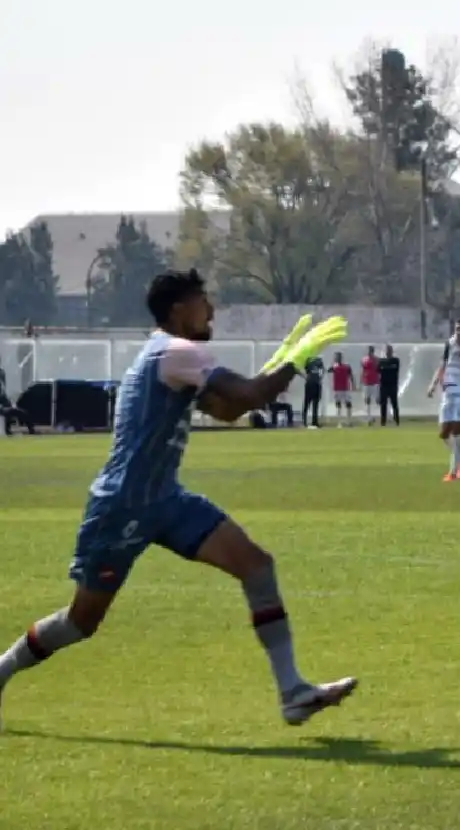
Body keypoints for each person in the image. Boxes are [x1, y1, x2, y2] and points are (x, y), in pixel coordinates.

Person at [0, 270, 356, 728]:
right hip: (123, 505)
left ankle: (292, 691)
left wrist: (281, 363)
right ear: (178, 311)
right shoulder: (176, 352)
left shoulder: (171, 357)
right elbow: (247, 394)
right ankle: (3, 669)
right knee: (80, 622)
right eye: (203, 300)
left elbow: (230, 409)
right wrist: (294, 360)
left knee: (256, 565)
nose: (211, 309)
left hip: (165, 499)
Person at [427, 318, 460, 481]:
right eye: (457, 328)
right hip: (449, 388)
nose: (459, 331)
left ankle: (453, 472)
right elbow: (443, 365)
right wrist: (434, 383)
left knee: (457, 429)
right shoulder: (449, 343)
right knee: (444, 433)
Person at [330, 352, 355, 427]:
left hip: (345, 388)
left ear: (341, 358)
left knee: (348, 404)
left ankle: (349, 421)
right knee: (338, 404)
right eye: (336, 357)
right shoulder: (333, 367)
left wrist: (353, 385)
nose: (337, 358)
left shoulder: (347, 366)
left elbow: (351, 375)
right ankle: (339, 422)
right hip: (337, 389)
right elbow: (327, 372)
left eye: (338, 357)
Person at [378, 345, 401, 426]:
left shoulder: (396, 360)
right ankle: (383, 421)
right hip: (383, 385)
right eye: (387, 350)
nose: (388, 352)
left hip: (393, 385)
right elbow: (378, 371)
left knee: (394, 404)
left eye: (390, 350)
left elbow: (396, 371)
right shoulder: (381, 361)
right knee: (383, 404)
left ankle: (397, 421)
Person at [302, 354, 324, 429]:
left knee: (315, 404)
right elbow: (305, 370)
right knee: (307, 403)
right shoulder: (308, 360)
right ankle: (304, 421)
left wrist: (320, 378)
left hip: (316, 384)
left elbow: (322, 371)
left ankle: (315, 422)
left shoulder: (319, 360)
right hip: (310, 384)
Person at [361, 346, 381, 426]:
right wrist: (361, 381)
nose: (369, 352)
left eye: (371, 350)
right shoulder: (364, 359)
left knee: (377, 400)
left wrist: (380, 381)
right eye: (368, 350)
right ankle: (369, 417)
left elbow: (379, 371)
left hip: (375, 382)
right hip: (366, 382)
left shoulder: (377, 359)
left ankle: (380, 415)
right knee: (367, 400)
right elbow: (362, 370)